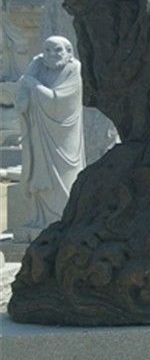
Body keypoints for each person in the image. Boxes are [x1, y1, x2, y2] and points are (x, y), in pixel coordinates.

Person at [15, 36, 85, 234]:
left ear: (69, 52)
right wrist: (28, 83)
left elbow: (57, 101)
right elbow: (22, 89)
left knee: (65, 176)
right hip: (39, 132)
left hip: (63, 137)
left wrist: (33, 84)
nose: (52, 54)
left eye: (58, 50)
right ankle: (40, 219)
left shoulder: (73, 70)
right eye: (47, 50)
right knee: (39, 173)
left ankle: (63, 218)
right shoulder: (38, 66)